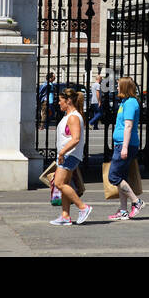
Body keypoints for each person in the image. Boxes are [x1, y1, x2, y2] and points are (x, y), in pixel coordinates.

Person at [50, 87, 92, 226]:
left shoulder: (73, 117)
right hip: (68, 154)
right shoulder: (70, 116)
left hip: (69, 154)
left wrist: (62, 153)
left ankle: (83, 207)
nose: (58, 103)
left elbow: (76, 139)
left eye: (60, 101)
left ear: (68, 101)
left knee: (59, 183)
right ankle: (65, 215)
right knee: (65, 184)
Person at [107, 76, 145, 221]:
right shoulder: (124, 102)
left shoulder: (130, 103)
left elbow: (128, 126)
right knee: (120, 177)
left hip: (126, 144)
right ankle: (123, 210)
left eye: (118, 85)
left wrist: (124, 148)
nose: (117, 88)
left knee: (113, 176)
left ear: (124, 87)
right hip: (121, 143)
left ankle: (136, 201)